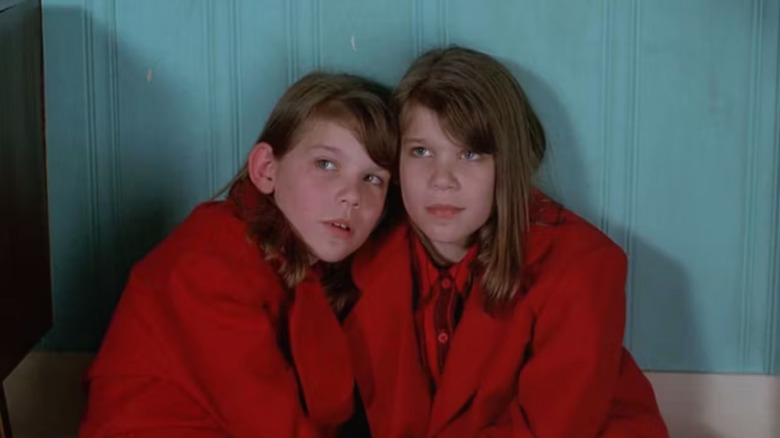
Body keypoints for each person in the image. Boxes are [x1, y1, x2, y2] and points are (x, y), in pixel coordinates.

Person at [345, 46, 668, 438]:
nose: (442, 179)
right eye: (422, 151)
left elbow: (550, 429)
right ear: (395, 163)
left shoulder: (581, 267)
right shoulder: (367, 253)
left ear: (508, 164)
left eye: (470, 154)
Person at [80, 72, 397, 438]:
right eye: (326, 164)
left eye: (373, 179)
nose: (352, 196)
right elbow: (271, 425)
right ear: (266, 169)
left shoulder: (299, 257)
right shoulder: (212, 264)